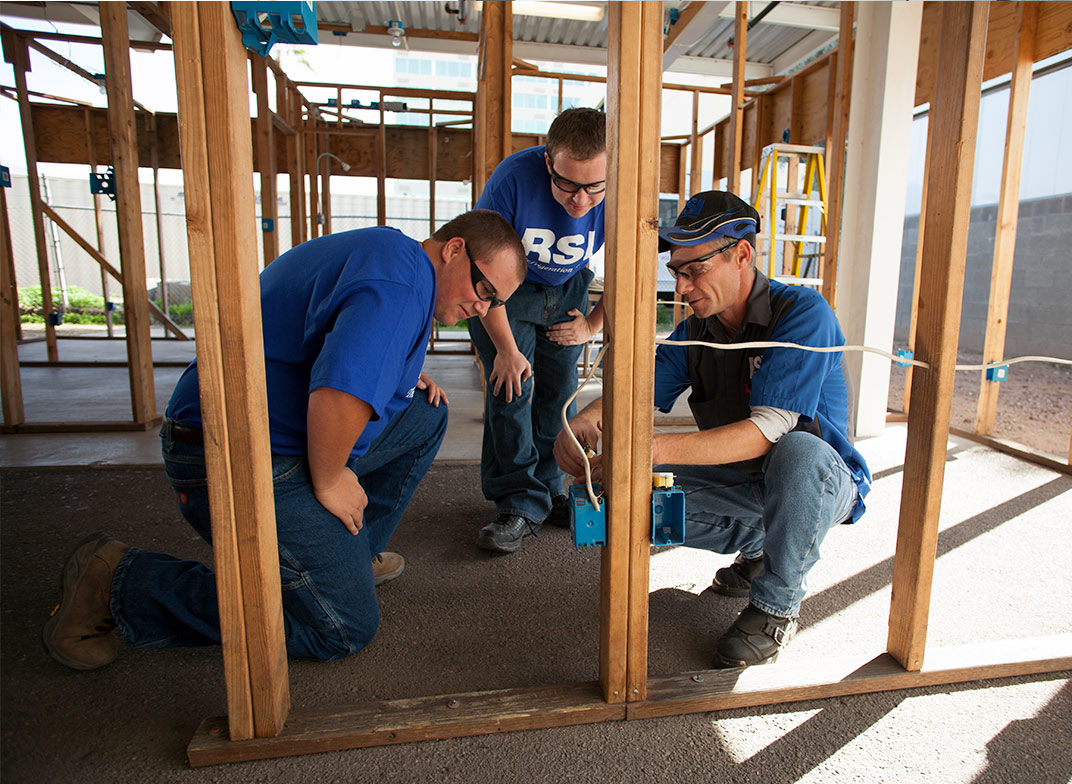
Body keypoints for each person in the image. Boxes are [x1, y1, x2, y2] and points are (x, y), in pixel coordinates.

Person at [43, 210, 527, 669]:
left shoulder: (395, 258)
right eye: (484, 289)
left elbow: (334, 336)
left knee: (424, 414)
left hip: (260, 430)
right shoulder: (401, 285)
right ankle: (120, 583)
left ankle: (344, 562)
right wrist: (332, 478)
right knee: (345, 628)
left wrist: (399, 377)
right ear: (454, 249)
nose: (482, 308)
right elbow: (339, 393)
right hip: (230, 455)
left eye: (496, 303)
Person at [553, 191, 871, 668]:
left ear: (742, 255)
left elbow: (766, 431)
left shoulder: (803, 313)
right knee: (619, 496)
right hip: (743, 480)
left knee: (799, 451)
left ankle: (774, 607)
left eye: (694, 269)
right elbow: (637, 396)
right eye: (676, 271)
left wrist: (650, 450)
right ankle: (765, 546)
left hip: (820, 484)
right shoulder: (695, 331)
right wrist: (586, 418)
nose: (681, 286)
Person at [469, 107, 607, 554]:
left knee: (559, 397)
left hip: (567, 291)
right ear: (548, 161)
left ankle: (548, 492)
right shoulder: (512, 179)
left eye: (594, 187)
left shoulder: (625, 188)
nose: (581, 201)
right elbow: (483, 274)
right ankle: (518, 501)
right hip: (506, 294)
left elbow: (632, 271)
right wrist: (506, 351)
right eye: (567, 183)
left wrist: (591, 325)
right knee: (513, 391)